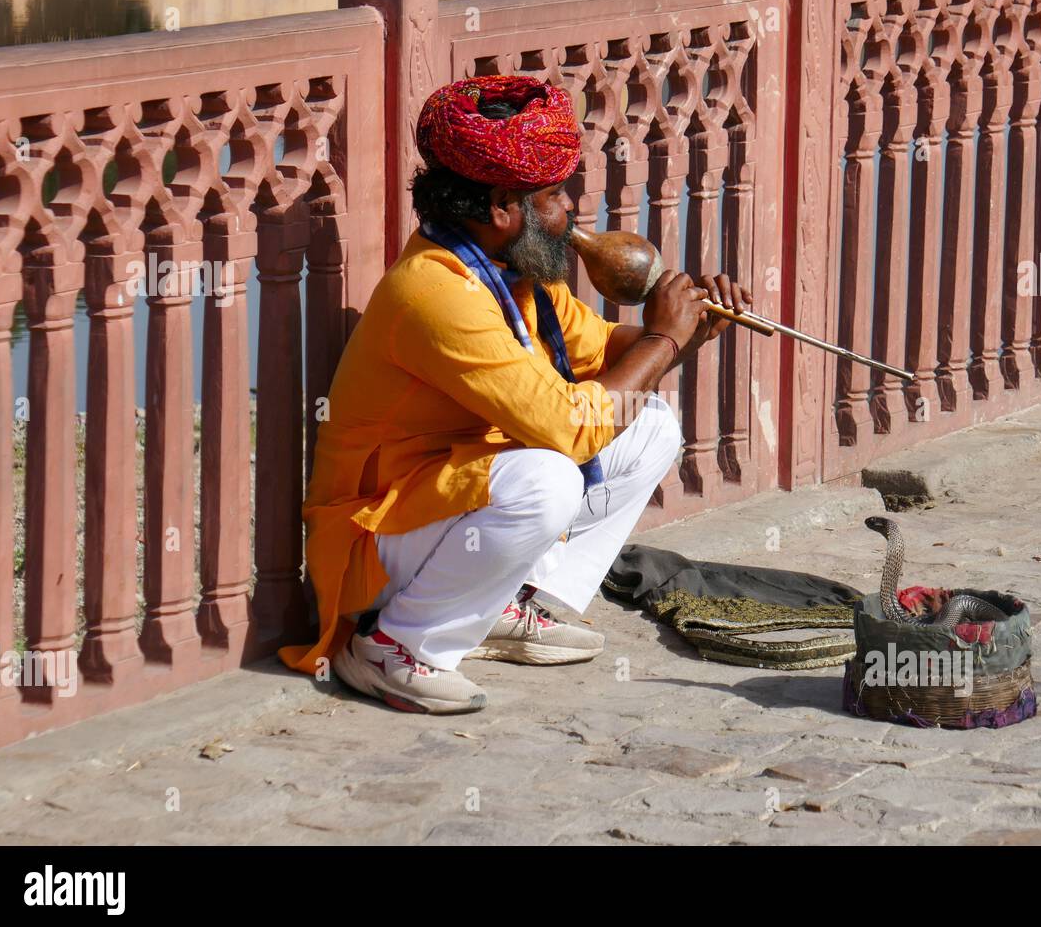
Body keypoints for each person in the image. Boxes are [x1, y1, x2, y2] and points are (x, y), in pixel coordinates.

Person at [280, 74, 751, 713]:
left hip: (448, 509)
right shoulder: (436, 295)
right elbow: (574, 430)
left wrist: (692, 326)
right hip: (374, 536)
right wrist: (665, 344)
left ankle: (507, 604)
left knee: (650, 423)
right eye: (554, 195)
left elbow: (607, 352)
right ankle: (393, 647)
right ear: (503, 205)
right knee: (548, 478)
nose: (570, 213)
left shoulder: (514, 268)